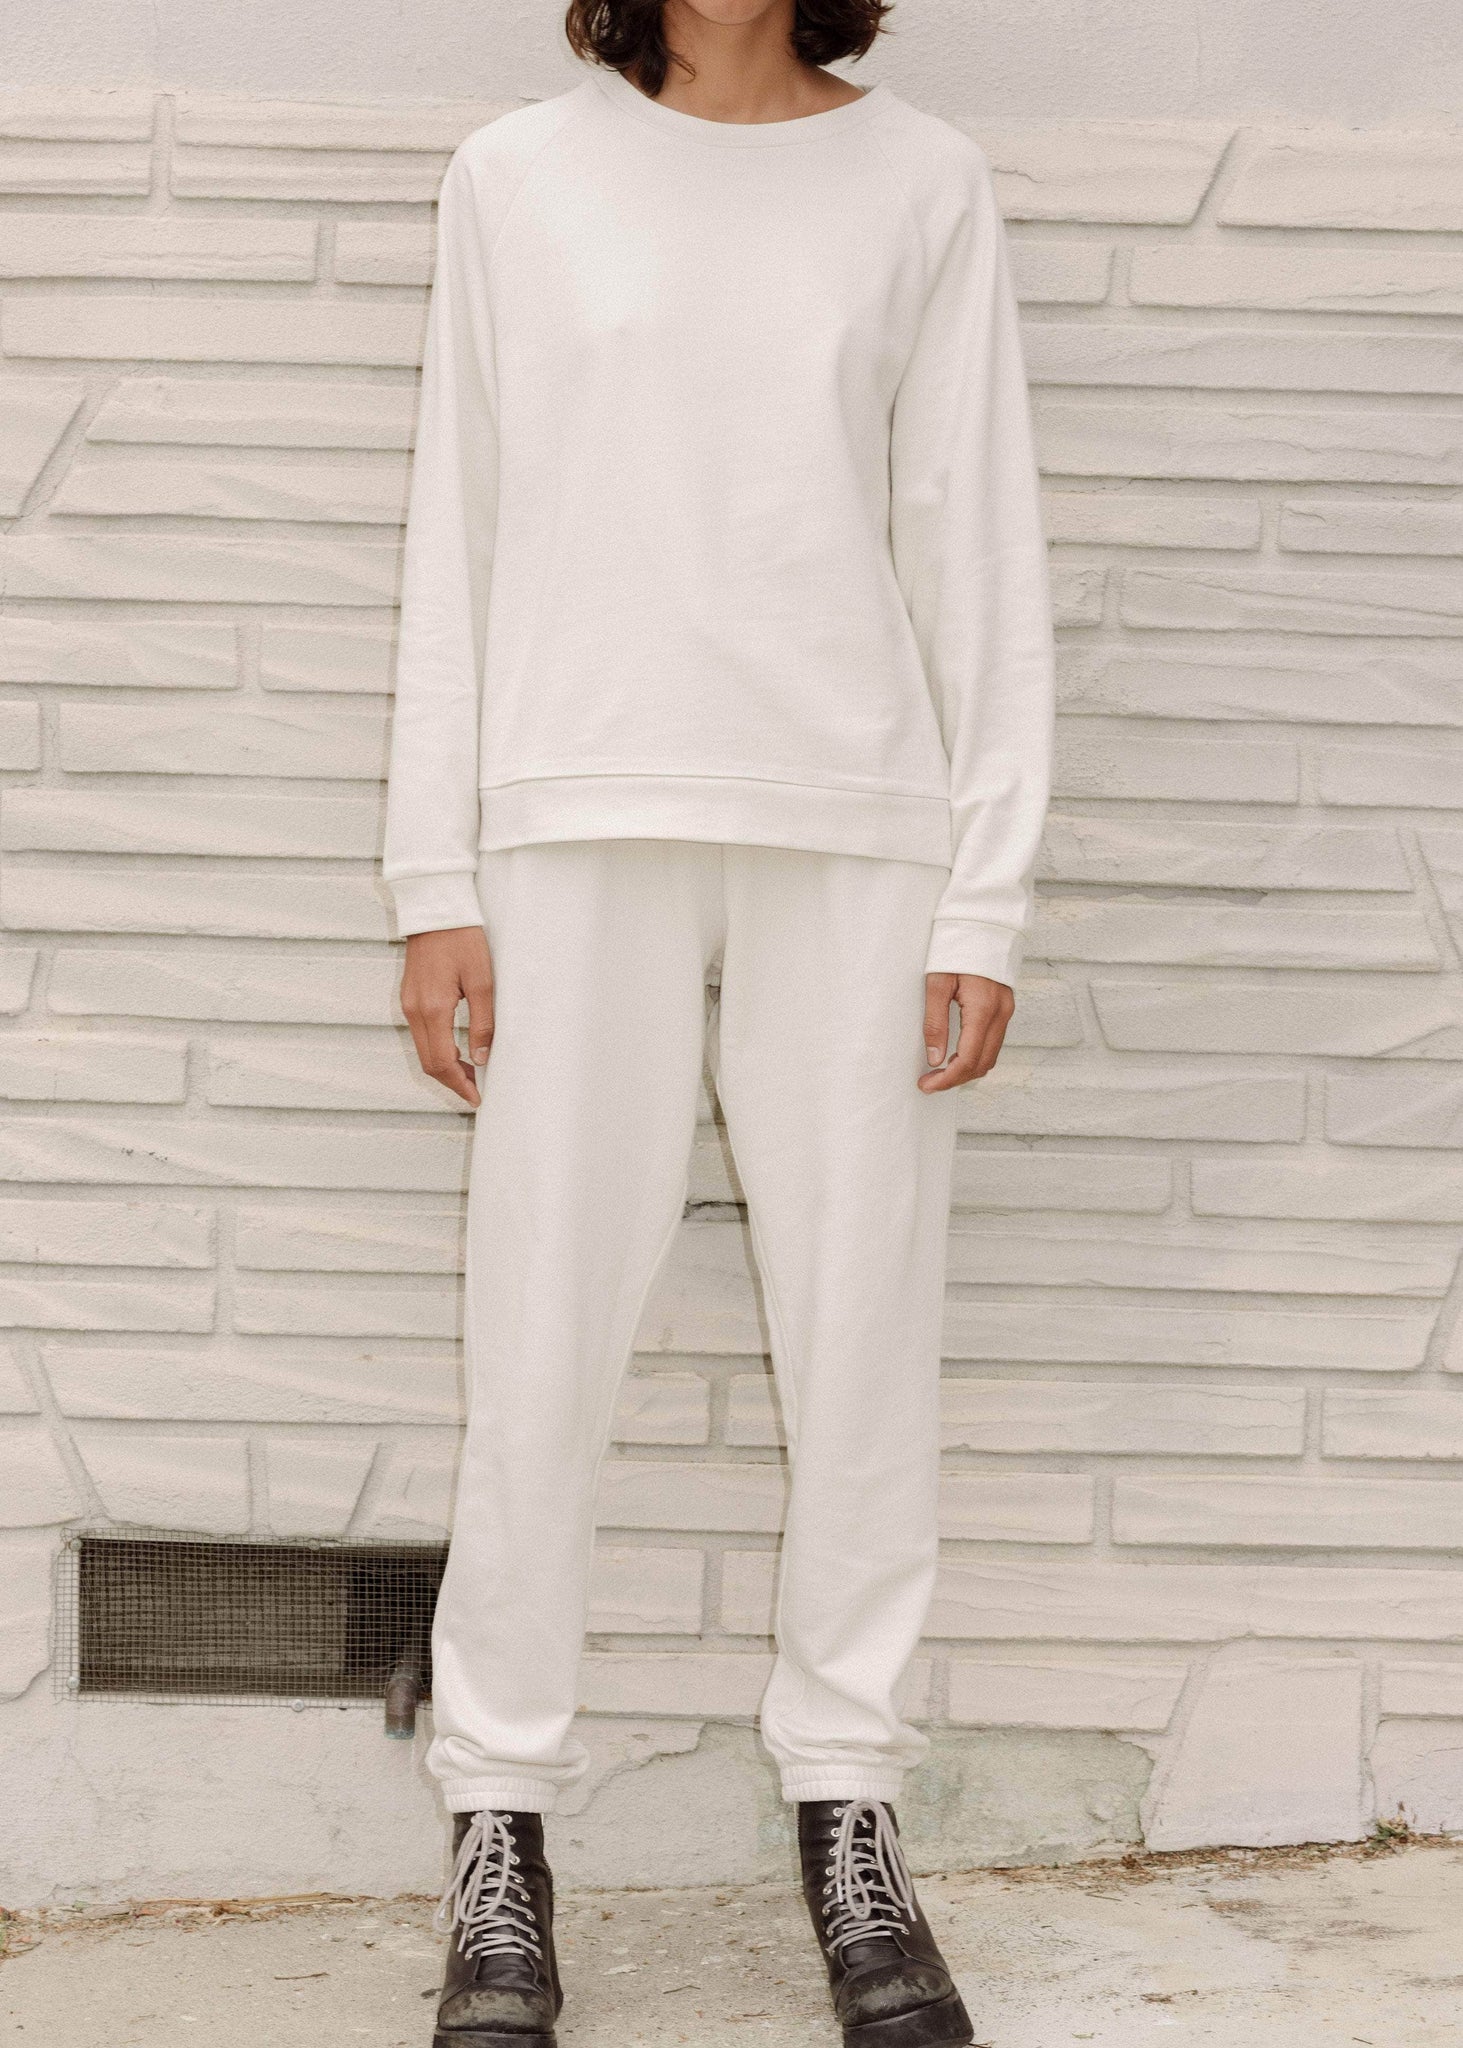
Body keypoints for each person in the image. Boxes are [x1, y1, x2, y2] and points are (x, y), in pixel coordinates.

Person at [383, 0, 1053, 2040]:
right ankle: (500, 1821)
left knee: (861, 1338)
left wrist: (986, 889)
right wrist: (433, 878)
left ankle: (850, 1805)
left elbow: (973, 540)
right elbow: (457, 531)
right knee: (540, 1336)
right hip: (572, 812)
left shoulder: (922, 183)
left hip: (855, 825)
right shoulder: (519, 178)